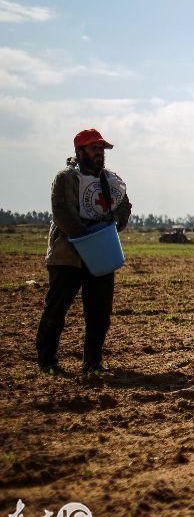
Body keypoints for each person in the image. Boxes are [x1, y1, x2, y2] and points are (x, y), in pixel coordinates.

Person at [37, 129, 132, 375]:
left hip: (102, 253)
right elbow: (63, 214)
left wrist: (113, 225)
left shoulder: (110, 181)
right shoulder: (65, 178)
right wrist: (88, 236)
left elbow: (124, 207)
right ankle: (47, 362)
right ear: (79, 151)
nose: (99, 153)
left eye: (101, 149)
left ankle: (92, 363)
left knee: (99, 312)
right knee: (57, 308)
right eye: (93, 148)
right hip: (67, 254)